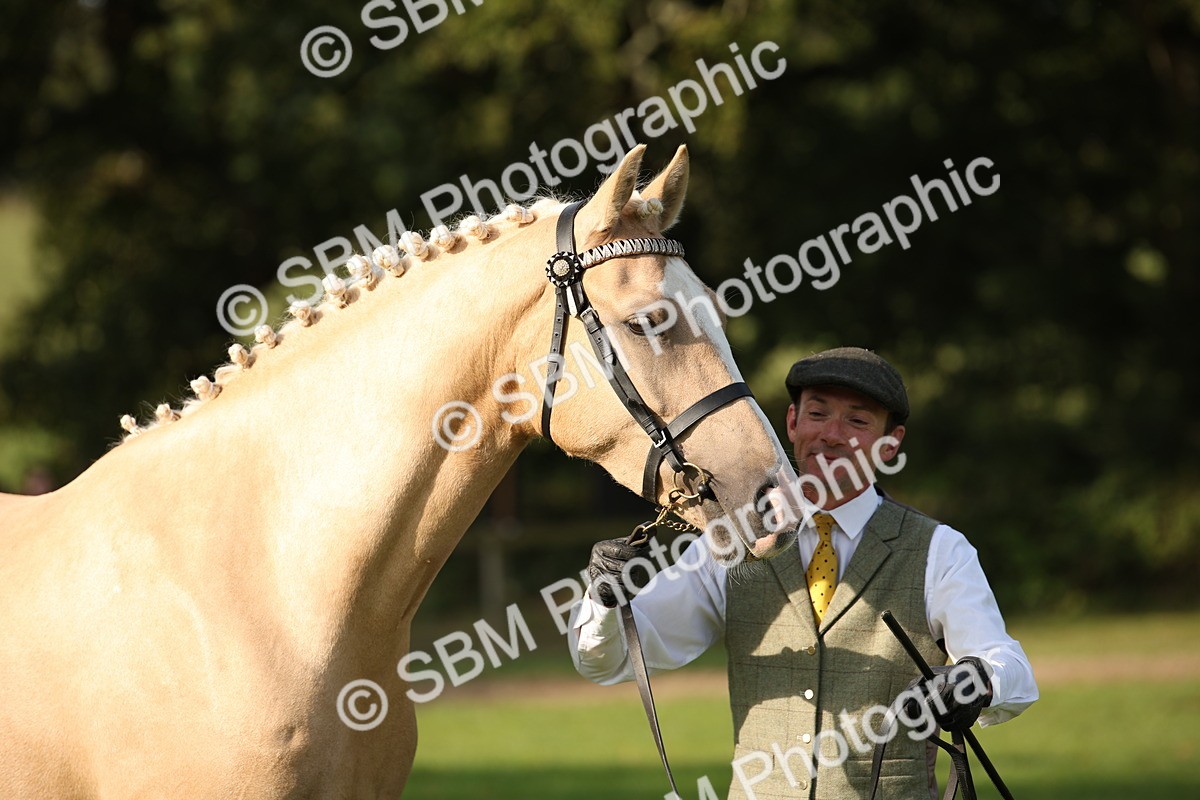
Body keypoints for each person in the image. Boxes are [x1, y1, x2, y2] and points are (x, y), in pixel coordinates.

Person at [568, 347, 1037, 800]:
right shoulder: (732, 544)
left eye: (857, 419)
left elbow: (1012, 669)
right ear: (792, 424)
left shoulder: (940, 550)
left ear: (891, 444)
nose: (832, 434)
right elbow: (610, 659)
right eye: (817, 414)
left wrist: (972, 681)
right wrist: (607, 599)